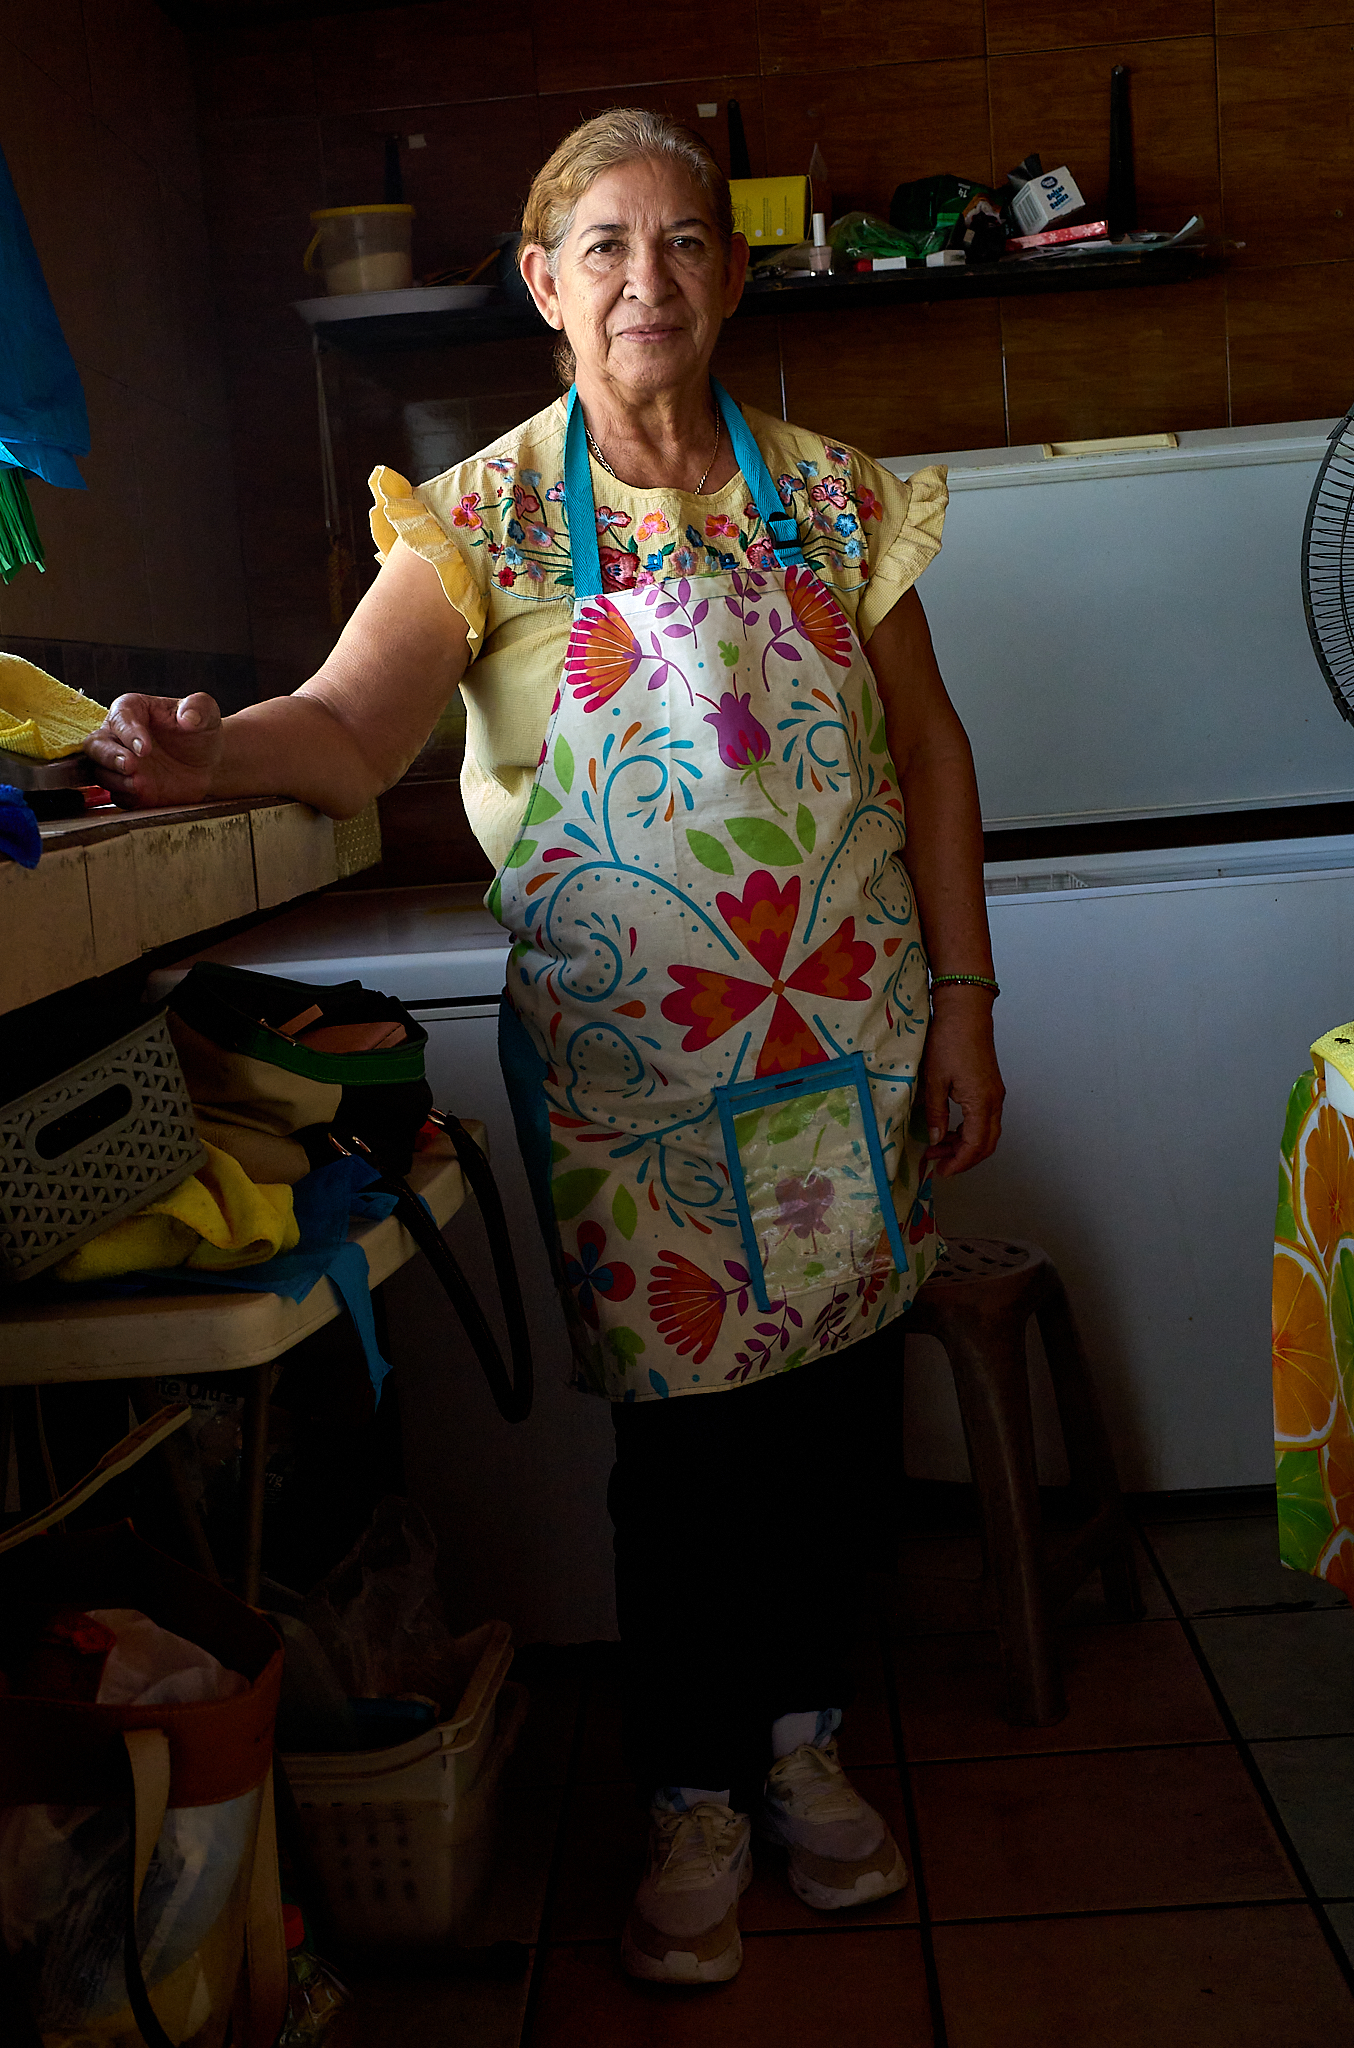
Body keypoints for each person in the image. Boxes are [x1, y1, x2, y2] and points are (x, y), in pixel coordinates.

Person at [88, 110, 1004, 1988]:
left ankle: (804, 1749)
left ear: (731, 274)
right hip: (636, 1081)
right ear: (544, 285)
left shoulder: (833, 498)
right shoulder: (491, 511)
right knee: (681, 1446)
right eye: (603, 246)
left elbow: (928, 755)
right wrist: (204, 748)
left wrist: (971, 1003)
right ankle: (687, 1784)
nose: (646, 278)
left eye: (681, 243)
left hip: (848, 1051)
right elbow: (349, 730)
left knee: (833, 1421)